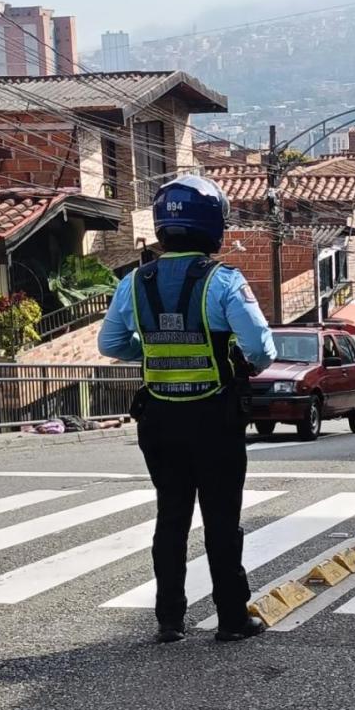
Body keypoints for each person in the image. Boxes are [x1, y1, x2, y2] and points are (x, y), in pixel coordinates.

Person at [98, 175, 277, 645]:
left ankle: (169, 620)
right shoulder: (224, 281)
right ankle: (232, 618)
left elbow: (111, 343)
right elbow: (261, 348)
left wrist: (154, 347)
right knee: (221, 519)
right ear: (213, 225)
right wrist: (239, 358)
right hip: (215, 418)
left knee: (171, 516)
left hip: (158, 419)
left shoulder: (134, 282)